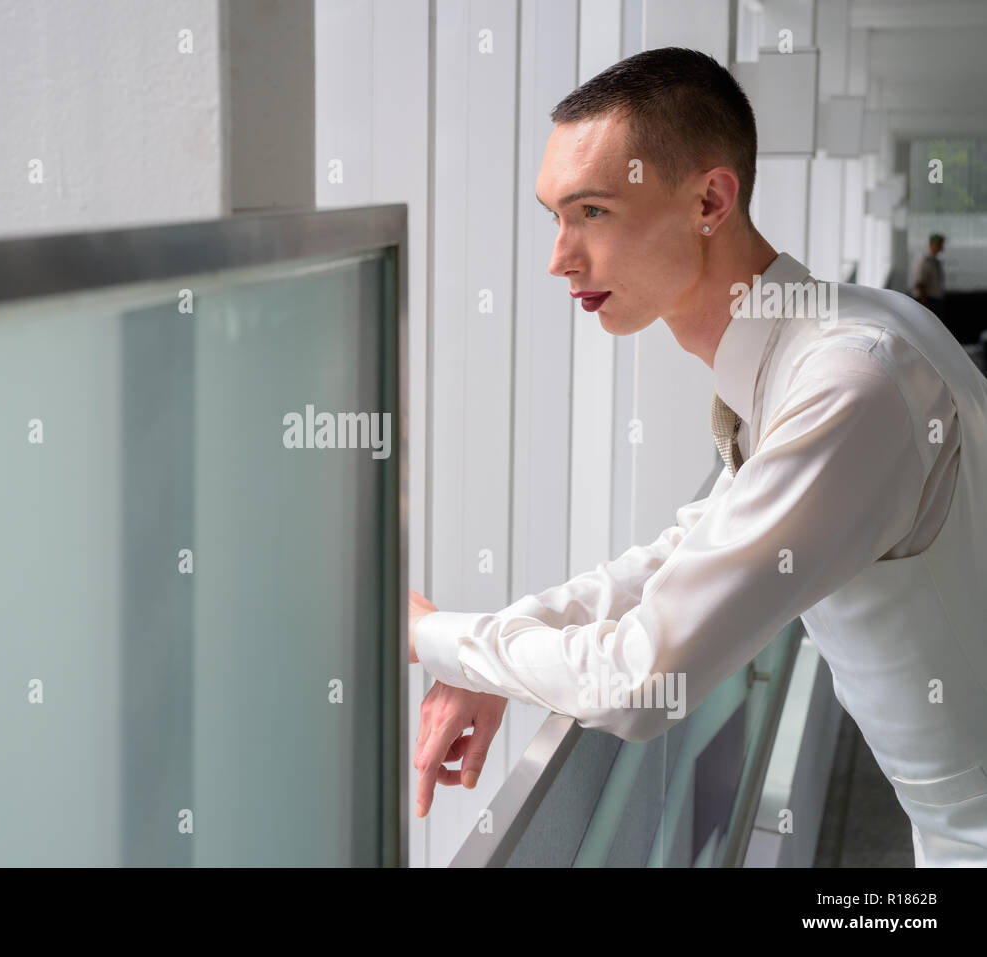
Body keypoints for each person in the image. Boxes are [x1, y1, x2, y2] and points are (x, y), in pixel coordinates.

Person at [409, 47, 987, 867]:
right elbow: (682, 555)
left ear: (711, 200)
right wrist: (495, 649)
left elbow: (642, 680)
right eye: (554, 216)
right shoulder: (839, 334)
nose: (559, 257)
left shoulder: (851, 382)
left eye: (594, 212)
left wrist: (433, 636)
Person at [911, 233, 947, 322]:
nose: (941, 247)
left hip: (935, 299)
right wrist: (924, 306)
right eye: (939, 244)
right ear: (931, 245)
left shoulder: (936, 261)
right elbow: (920, 284)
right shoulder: (924, 261)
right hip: (928, 300)